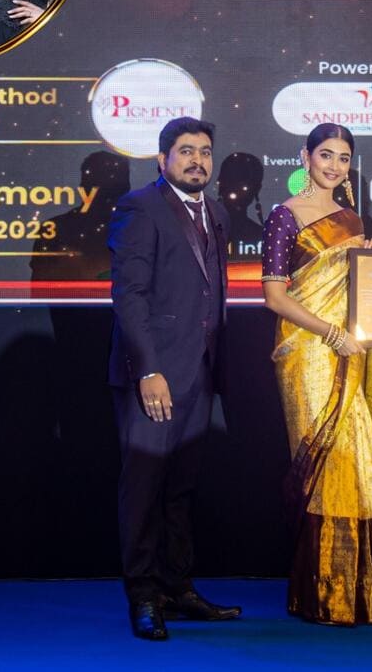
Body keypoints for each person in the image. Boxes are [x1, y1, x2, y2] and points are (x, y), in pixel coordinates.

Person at [106, 117, 240, 640]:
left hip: (201, 372)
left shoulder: (217, 212)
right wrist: (149, 369)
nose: (197, 161)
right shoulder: (140, 207)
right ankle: (143, 595)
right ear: (163, 160)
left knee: (181, 488)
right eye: (186, 151)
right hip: (154, 375)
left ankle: (178, 587)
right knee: (144, 487)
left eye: (204, 152)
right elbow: (130, 296)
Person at [261, 123, 372, 625]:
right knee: (327, 463)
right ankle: (323, 593)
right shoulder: (284, 216)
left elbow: (361, 290)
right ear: (306, 157)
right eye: (326, 155)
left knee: (358, 459)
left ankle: (357, 592)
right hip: (309, 352)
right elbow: (275, 297)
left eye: (343, 158)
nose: (335, 166)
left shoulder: (353, 220)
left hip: (353, 350)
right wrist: (331, 333)